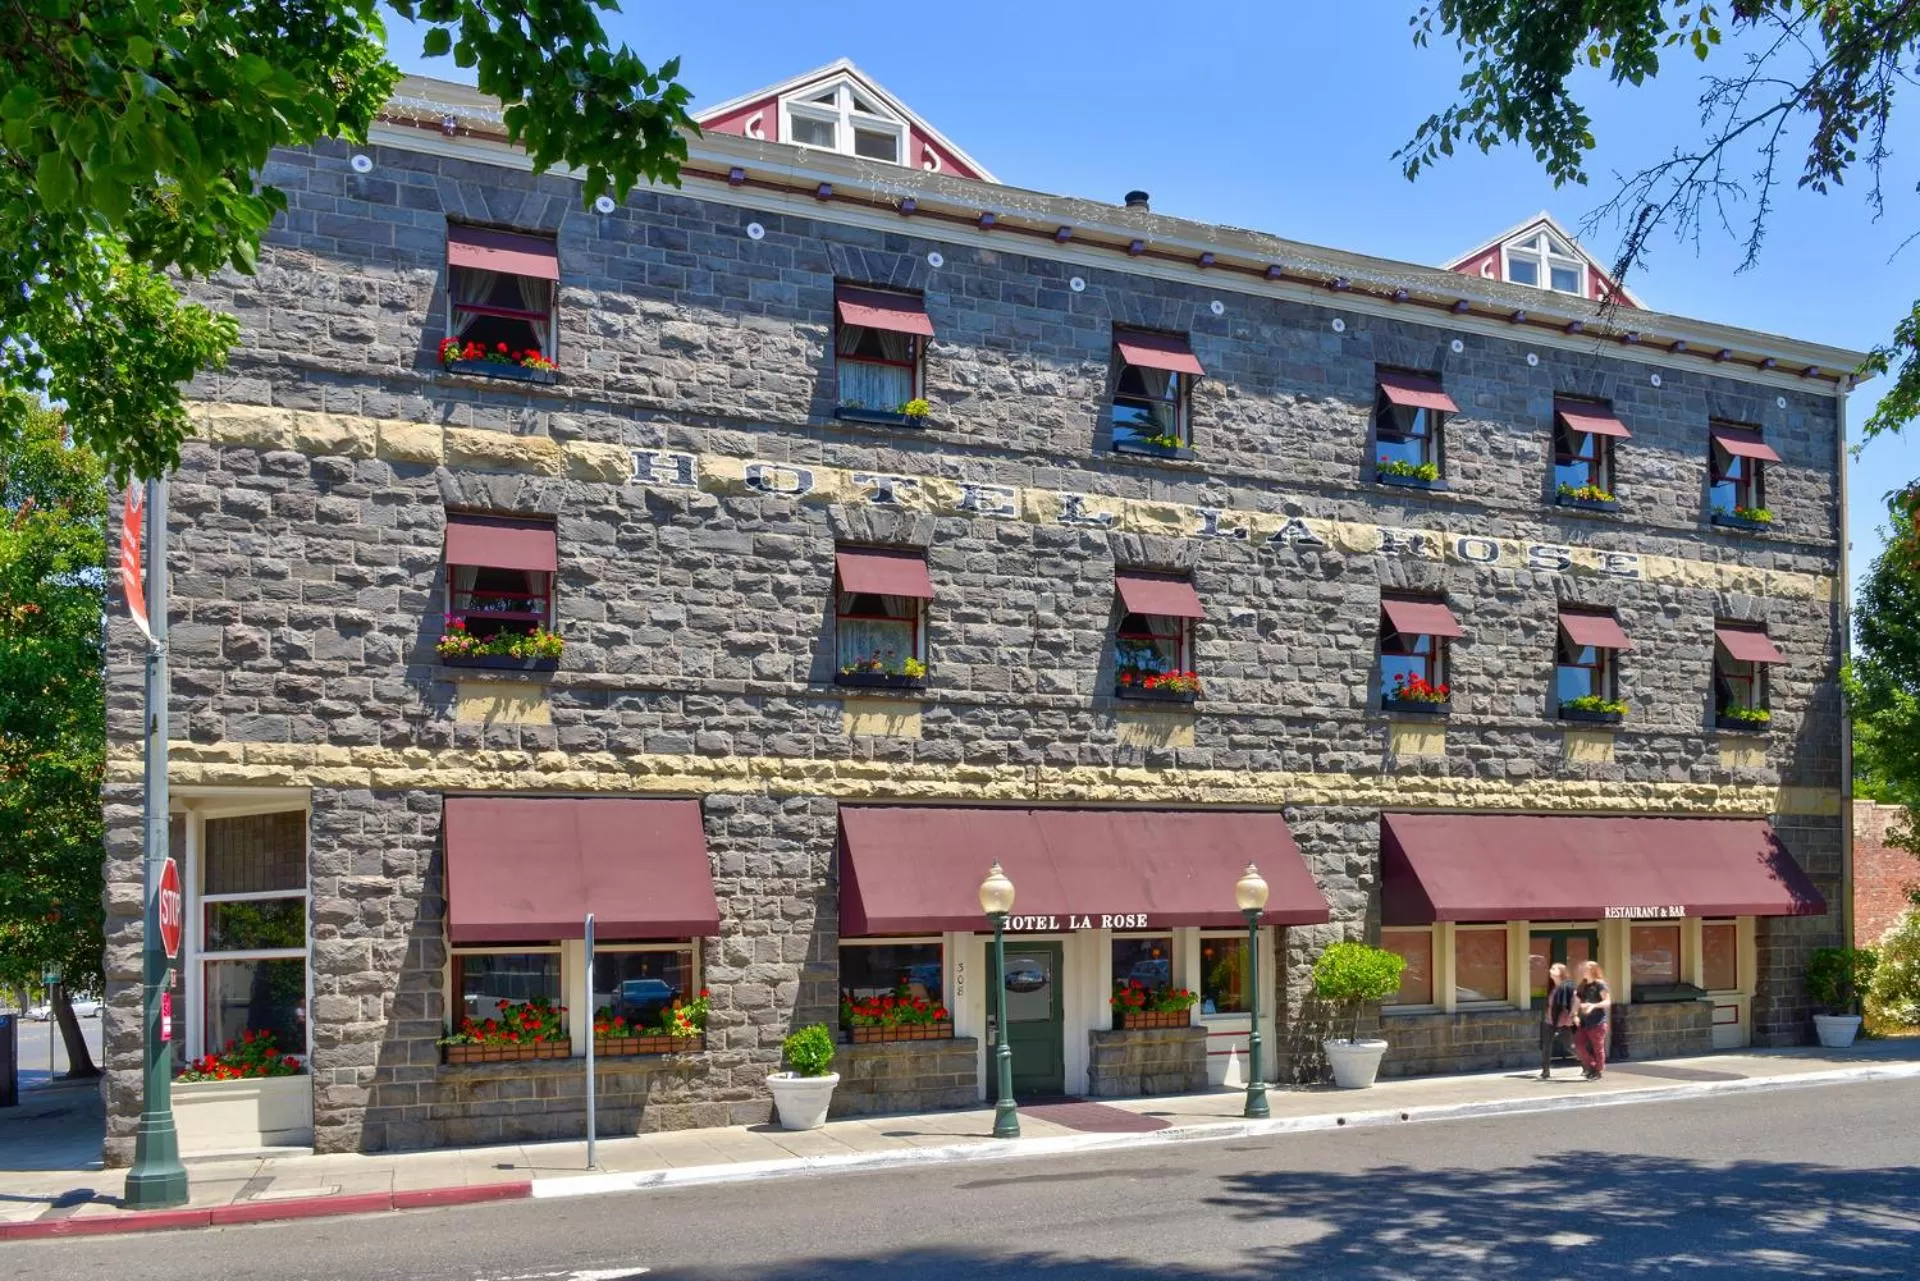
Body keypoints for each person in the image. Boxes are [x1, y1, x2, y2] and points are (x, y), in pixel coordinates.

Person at [1573, 960, 1612, 1080]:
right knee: (1578, 1045)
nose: (1583, 971)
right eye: (1583, 969)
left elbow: (1607, 1002)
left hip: (1597, 1021)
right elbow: (1577, 1002)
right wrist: (1575, 1015)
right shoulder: (1582, 985)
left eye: (1585, 969)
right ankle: (1591, 1066)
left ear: (1592, 970)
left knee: (1598, 1048)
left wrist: (1593, 1005)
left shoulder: (1600, 985)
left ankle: (1598, 1071)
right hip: (1584, 1022)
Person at [1539, 962, 1576, 1080]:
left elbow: (1573, 1003)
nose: (1550, 970)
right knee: (1546, 1045)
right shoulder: (1553, 988)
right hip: (1550, 1020)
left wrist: (1572, 1017)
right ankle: (1545, 1071)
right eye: (1551, 968)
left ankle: (1588, 1065)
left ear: (1561, 972)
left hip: (1564, 1022)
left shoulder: (1568, 986)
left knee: (1569, 1046)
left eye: (1554, 968)